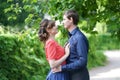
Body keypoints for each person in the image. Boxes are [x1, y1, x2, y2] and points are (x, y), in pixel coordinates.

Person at [53, 10, 90, 80]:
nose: (63, 22)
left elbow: (82, 61)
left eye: (64, 19)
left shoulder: (79, 37)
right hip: (72, 75)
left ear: (71, 20)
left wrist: (62, 68)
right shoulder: (72, 37)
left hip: (79, 76)